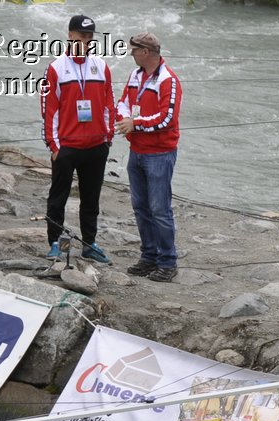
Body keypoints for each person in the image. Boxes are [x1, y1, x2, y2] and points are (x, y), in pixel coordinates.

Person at [41, 14, 115, 263]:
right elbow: (48, 109)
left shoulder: (101, 65)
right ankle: (55, 243)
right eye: (82, 36)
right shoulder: (56, 67)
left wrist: (108, 137)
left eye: (90, 36)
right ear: (70, 35)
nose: (86, 40)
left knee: (91, 198)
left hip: (96, 145)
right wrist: (54, 145)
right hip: (67, 146)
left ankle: (89, 243)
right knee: (58, 198)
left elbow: (108, 105)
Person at [116, 31, 181, 282]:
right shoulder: (135, 75)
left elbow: (167, 119)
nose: (130, 54)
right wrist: (123, 119)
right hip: (137, 152)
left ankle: (168, 261)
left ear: (145, 52)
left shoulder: (169, 80)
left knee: (159, 209)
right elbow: (123, 101)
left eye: (133, 50)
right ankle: (148, 256)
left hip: (160, 154)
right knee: (141, 207)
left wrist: (136, 124)